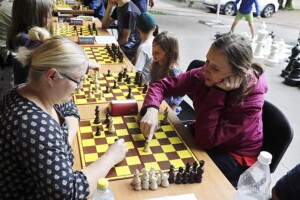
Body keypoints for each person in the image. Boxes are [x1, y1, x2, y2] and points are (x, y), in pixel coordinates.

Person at [0, 26, 127, 199]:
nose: (80, 86)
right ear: (52, 76)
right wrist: (110, 158)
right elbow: (68, 193)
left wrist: (63, 140)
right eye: (78, 80)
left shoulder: (26, 90)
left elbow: (69, 107)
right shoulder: (34, 125)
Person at [139, 34, 268, 187]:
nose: (205, 69)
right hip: (204, 133)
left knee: (174, 177)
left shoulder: (250, 103)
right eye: (207, 60)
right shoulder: (203, 74)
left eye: (215, 67)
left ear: (236, 75)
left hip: (234, 154)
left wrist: (217, 92)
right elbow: (160, 86)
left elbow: (206, 140)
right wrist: (152, 109)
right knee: (154, 154)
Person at [6, 0, 53, 85]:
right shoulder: (29, 41)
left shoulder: (18, 34)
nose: (50, 20)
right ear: (34, 17)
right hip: (32, 93)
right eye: (48, 16)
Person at [148, 31, 183, 115]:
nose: (152, 54)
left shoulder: (173, 71)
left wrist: (171, 110)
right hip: (156, 100)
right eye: (153, 49)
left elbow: (181, 94)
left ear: (168, 54)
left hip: (166, 106)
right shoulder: (156, 64)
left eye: (157, 52)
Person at [134, 12, 156, 83]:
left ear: (137, 29)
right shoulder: (155, 41)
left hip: (143, 84)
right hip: (152, 80)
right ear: (154, 28)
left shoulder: (143, 48)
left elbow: (137, 72)